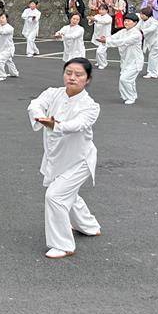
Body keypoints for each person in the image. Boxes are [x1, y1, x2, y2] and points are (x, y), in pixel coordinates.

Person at [27, 58, 102, 259]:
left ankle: (63, 245)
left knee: (56, 196)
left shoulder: (91, 106)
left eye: (79, 75)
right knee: (69, 194)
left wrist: (56, 125)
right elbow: (35, 104)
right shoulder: (53, 93)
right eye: (69, 73)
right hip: (56, 157)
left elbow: (78, 124)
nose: (72, 77)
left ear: (87, 79)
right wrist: (40, 116)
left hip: (80, 161)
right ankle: (89, 226)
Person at [97, 13, 143, 105]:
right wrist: (106, 38)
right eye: (125, 20)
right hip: (125, 60)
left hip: (135, 61)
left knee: (125, 79)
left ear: (135, 23)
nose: (126, 22)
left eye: (129, 21)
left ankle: (130, 97)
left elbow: (123, 42)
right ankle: (130, 95)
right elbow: (114, 37)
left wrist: (107, 41)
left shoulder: (136, 34)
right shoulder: (123, 31)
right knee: (129, 80)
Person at [0, 12, 20, 81]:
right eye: (0, 18)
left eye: (3, 18)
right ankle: (14, 73)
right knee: (9, 61)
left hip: (8, 49)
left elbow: (2, 31)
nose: (1, 19)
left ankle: (2, 75)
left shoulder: (10, 28)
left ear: (6, 19)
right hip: (0, 48)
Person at [137, 7, 158, 79]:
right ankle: (157, 68)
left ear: (147, 15)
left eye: (142, 14)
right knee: (154, 56)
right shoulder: (142, 21)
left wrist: (142, 31)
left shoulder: (154, 21)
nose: (141, 16)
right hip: (150, 41)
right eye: (141, 14)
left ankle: (153, 73)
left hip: (157, 41)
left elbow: (151, 29)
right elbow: (137, 28)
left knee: (153, 56)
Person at [91, 5, 114, 69]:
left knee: (100, 51)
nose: (101, 11)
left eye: (103, 9)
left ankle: (103, 64)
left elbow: (104, 22)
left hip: (105, 37)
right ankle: (99, 61)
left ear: (106, 10)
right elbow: (91, 23)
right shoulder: (97, 16)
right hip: (97, 35)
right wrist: (91, 19)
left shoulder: (109, 17)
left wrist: (95, 20)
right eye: (100, 9)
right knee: (101, 51)